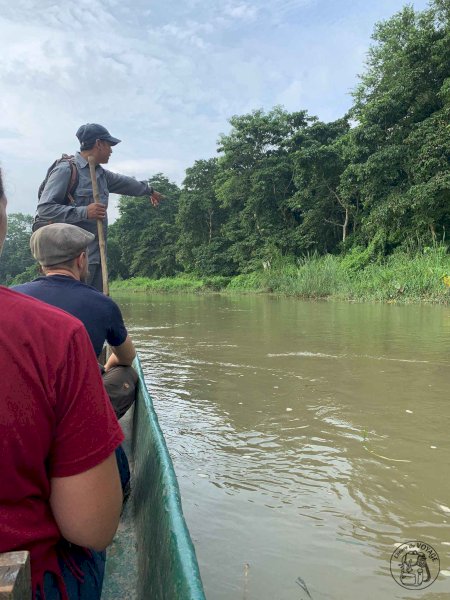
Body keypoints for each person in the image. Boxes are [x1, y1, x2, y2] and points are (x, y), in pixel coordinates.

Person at [0, 167, 123, 599]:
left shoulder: (21, 293)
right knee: (98, 528)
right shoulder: (58, 330)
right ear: (80, 261)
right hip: (31, 577)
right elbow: (92, 531)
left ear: (38, 262)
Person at [13, 223, 138, 490]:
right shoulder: (102, 303)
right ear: (81, 260)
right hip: (73, 410)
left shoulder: (12, 297)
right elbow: (127, 357)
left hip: (23, 407)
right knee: (127, 374)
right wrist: (105, 366)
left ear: (40, 263)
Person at [34, 123, 163, 291]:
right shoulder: (66, 170)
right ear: (98, 144)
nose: (111, 150)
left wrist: (150, 191)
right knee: (73, 308)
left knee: (95, 308)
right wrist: (85, 212)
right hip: (69, 263)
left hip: (95, 258)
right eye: (109, 145)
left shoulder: (100, 173)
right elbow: (45, 209)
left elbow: (126, 183)